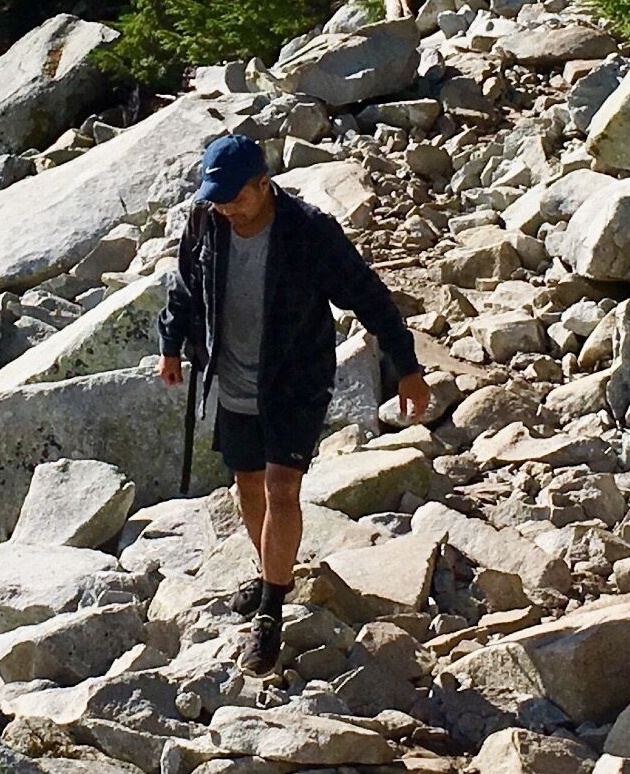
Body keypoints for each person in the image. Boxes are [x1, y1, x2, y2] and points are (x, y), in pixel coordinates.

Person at [159, 132, 430, 671]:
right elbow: (187, 286)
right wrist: (170, 343)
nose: (227, 207)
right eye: (218, 197)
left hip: (295, 378)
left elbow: (368, 295)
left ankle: (270, 614)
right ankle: (269, 578)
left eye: (236, 196)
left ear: (265, 184)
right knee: (248, 484)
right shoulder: (207, 221)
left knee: (282, 487)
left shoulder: (308, 232)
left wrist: (407, 368)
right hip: (233, 373)